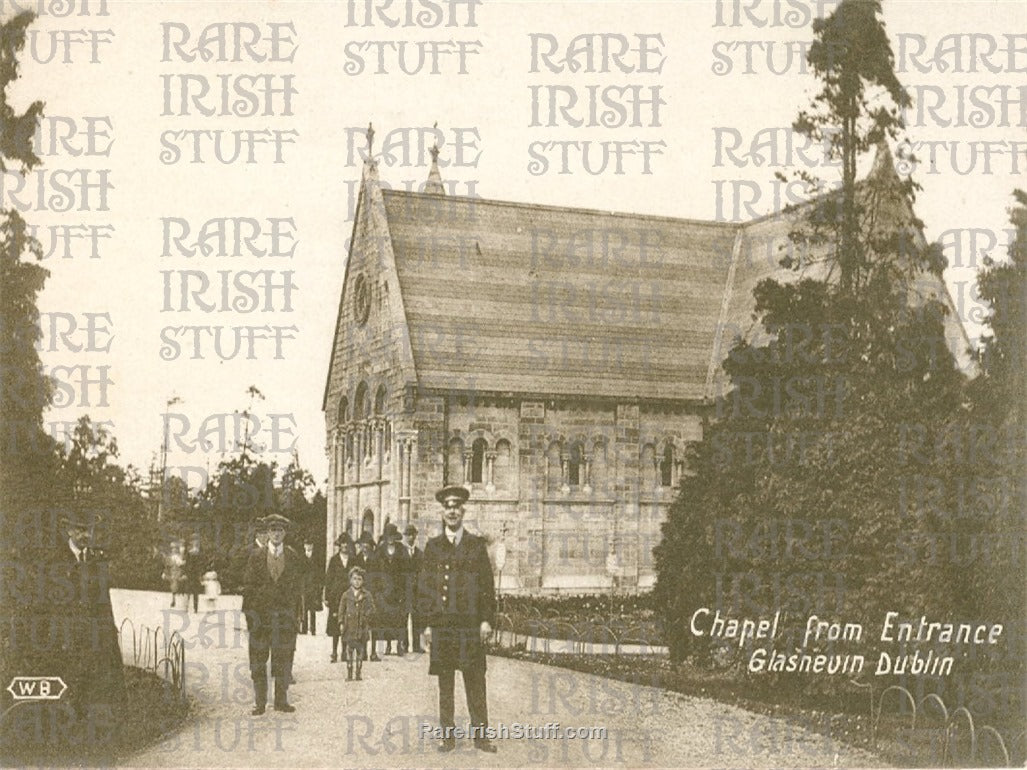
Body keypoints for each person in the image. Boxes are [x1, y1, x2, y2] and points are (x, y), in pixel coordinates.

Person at [418, 485, 497, 753]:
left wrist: (487, 620)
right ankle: (447, 736)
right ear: (443, 512)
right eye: (448, 506)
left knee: (475, 680)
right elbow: (425, 589)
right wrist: (426, 625)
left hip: (470, 626)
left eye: (456, 506)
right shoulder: (433, 547)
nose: (452, 511)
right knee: (445, 683)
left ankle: (481, 736)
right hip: (443, 627)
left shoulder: (475, 545)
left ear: (463, 510)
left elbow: (487, 586)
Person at [52, 511, 127, 727]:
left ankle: (93, 726)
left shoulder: (96, 559)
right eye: (80, 529)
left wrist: (109, 630)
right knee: (69, 682)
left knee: (98, 682)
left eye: (89, 530)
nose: (86, 535)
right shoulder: (56, 561)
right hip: (67, 637)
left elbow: (104, 601)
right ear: (69, 530)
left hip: (94, 635)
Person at [243, 514, 304, 715]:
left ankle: (281, 700)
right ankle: (260, 702)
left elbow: (297, 590)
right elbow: (249, 588)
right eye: (273, 530)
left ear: (284, 533)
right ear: (267, 533)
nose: (276, 534)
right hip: (261, 619)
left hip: (285, 620)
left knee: (284, 658)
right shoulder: (256, 556)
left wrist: (297, 617)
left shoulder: (293, 556)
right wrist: (250, 617)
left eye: (280, 531)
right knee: (258, 660)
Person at [370, 526, 407, 656]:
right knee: (386, 619)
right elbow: (374, 570)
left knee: (399, 618)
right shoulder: (380, 550)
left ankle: (399, 645)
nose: (390, 539)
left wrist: (404, 590)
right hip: (384, 590)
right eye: (388, 536)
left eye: (392, 536)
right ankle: (388, 644)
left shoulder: (402, 550)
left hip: (398, 590)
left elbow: (406, 571)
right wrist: (376, 590)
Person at [338, 566, 376, 682]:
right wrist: (341, 622)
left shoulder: (367, 595)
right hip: (349, 627)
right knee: (349, 650)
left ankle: (358, 672)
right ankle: (349, 672)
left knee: (360, 651)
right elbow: (341, 610)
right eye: (354, 579)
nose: (357, 582)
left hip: (362, 627)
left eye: (359, 579)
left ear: (363, 581)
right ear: (350, 580)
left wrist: (366, 616)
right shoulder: (346, 595)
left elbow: (372, 609)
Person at [324, 535, 355, 662]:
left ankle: (344, 651)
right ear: (339, 545)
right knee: (335, 624)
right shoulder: (334, 560)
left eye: (347, 543)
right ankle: (334, 651)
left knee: (347, 623)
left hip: (348, 595)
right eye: (343, 544)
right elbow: (328, 579)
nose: (345, 546)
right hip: (335, 596)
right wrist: (326, 596)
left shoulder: (353, 560)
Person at [402, 524, 425, 652]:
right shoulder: (401, 553)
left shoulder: (420, 554)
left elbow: (422, 572)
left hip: (416, 591)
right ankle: (404, 645)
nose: (410, 537)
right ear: (405, 537)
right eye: (408, 535)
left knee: (417, 617)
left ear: (415, 536)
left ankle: (416, 645)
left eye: (412, 534)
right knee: (404, 617)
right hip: (405, 590)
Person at [299, 537, 321, 635]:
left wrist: (319, 585)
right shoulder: (301, 557)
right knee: (304, 607)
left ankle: (313, 629)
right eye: (307, 545)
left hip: (313, 585)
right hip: (304, 585)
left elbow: (319, 572)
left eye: (310, 545)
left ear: (313, 546)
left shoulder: (316, 558)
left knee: (312, 608)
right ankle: (304, 628)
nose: (308, 546)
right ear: (304, 546)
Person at [162, 540, 185, 607]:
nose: (173, 550)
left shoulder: (177, 556)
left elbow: (180, 564)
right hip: (174, 572)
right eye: (172, 549)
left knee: (174, 583)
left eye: (175, 548)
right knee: (174, 584)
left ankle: (175, 598)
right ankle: (174, 599)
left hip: (176, 571)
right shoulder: (172, 557)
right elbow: (167, 565)